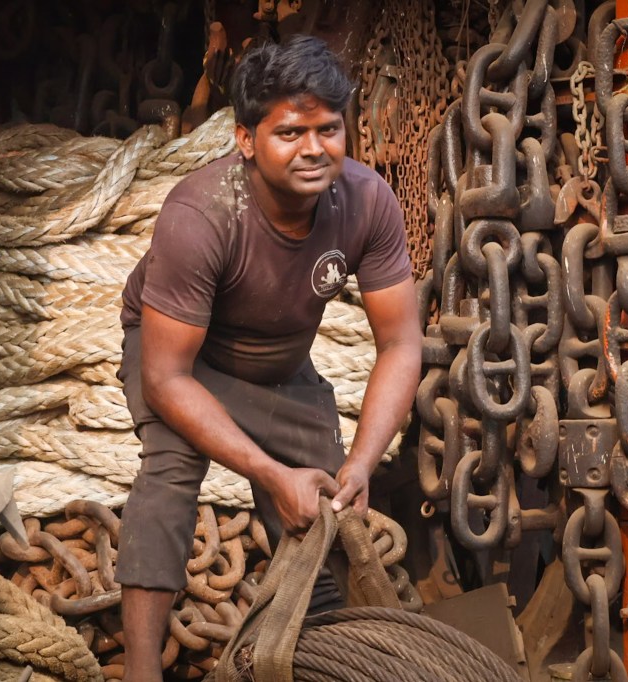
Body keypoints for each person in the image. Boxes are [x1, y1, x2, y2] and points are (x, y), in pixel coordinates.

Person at [115, 35, 422, 681]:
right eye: (289, 132)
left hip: (279, 362)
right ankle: (141, 670)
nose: (314, 148)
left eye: (328, 129)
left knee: (331, 505)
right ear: (246, 140)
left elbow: (400, 343)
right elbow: (165, 379)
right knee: (169, 474)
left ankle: (324, 653)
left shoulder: (367, 201)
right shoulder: (201, 215)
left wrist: (363, 462)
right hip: (183, 360)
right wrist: (269, 471)